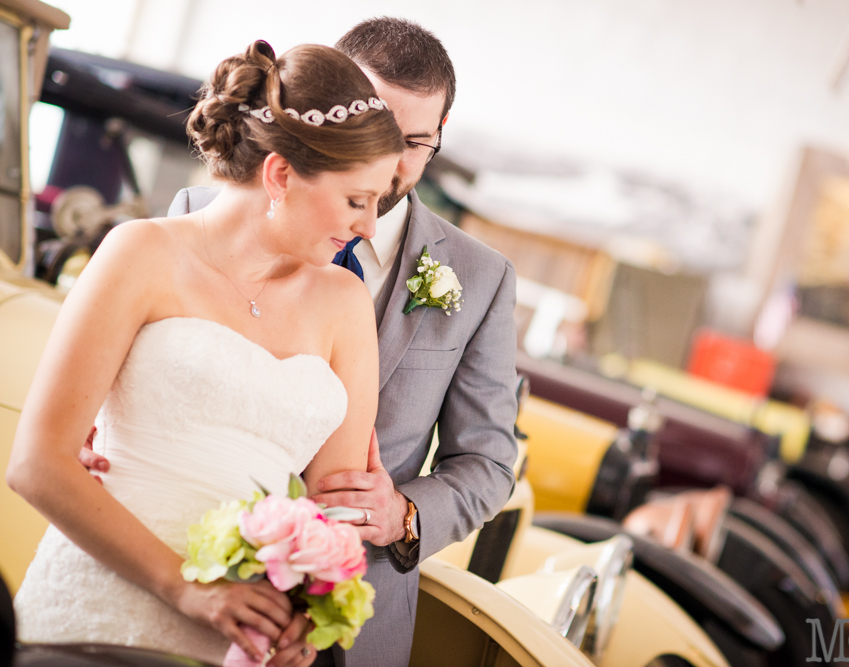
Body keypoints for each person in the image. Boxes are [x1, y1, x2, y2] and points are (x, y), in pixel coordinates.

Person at [7, 40, 405, 667]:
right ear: (279, 175)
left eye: (380, 201)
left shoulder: (345, 303)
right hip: (93, 621)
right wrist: (187, 588)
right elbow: (37, 464)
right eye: (358, 200)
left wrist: (313, 611)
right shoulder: (141, 253)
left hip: (238, 644)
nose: (370, 227)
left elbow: (335, 504)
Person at [152, 18, 521, 666]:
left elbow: (490, 462)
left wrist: (404, 513)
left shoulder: (481, 279)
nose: (397, 165)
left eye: (417, 142)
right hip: (180, 563)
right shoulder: (198, 213)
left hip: (349, 623)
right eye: (379, 131)